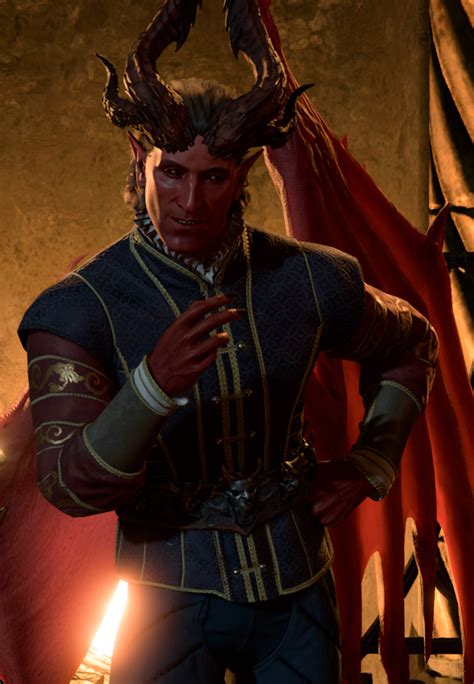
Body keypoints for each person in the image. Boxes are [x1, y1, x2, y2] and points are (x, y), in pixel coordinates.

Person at [18, 1, 438, 682]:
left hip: (296, 588)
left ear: (242, 173)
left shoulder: (311, 277)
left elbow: (413, 345)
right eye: (172, 174)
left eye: (213, 177)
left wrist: (372, 461)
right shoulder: (79, 305)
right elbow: (70, 485)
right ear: (140, 159)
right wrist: (151, 386)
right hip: (163, 597)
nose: (191, 202)